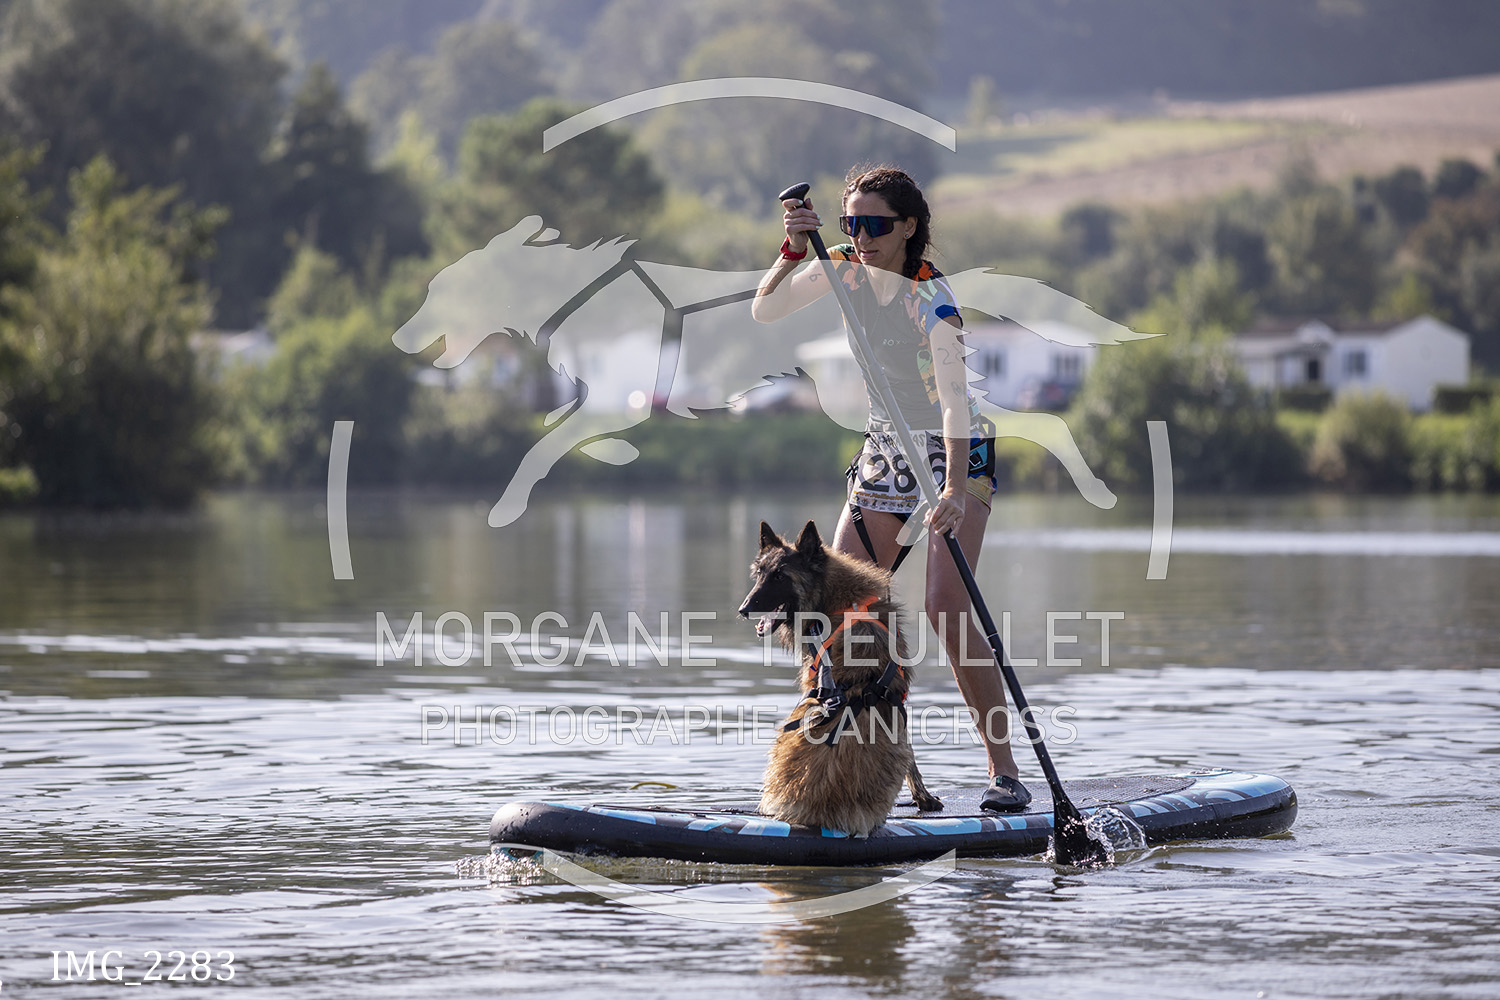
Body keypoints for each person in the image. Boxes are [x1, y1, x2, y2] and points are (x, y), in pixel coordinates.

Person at [751, 165, 1030, 813]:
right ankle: (842, 768)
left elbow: (956, 403)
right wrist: (792, 249)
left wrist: (953, 489)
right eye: (850, 224)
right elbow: (766, 309)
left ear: (908, 227)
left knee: (945, 608)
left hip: (956, 448)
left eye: (874, 225)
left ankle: (1005, 772)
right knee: (835, 611)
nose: (861, 237)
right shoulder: (842, 267)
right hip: (885, 447)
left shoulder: (933, 300)